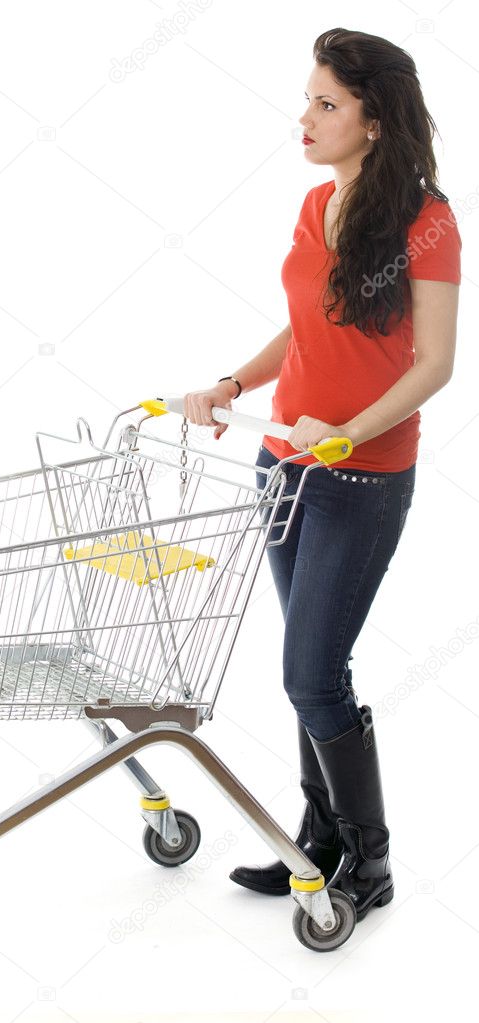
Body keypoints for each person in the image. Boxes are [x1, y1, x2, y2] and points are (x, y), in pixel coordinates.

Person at [182, 27, 461, 923]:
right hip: (282, 467)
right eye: (307, 98)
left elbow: (434, 363)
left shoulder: (428, 223)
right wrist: (233, 381)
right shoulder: (316, 204)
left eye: (326, 104)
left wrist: (348, 431)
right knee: (311, 667)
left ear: (373, 120)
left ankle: (368, 864)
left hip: (363, 478)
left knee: (311, 674)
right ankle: (321, 843)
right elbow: (305, 329)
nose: (304, 117)